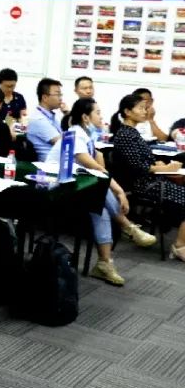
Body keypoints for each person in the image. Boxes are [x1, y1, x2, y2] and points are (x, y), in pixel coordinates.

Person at [48, 98, 155, 285]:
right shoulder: (74, 135)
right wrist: (119, 191)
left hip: (77, 189)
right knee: (98, 190)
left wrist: (99, 156)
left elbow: (99, 166)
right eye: (97, 113)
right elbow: (96, 169)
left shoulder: (87, 136)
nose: (101, 116)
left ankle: (105, 264)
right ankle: (128, 226)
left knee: (99, 206)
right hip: (56, 192)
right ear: (85, 117)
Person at [110, 94, 185, 261]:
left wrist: (159, 164)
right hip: (142, 185)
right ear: (127, 111)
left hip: (150, 181)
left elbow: (144, 159)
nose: (145, 112)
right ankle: (179, 246)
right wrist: (165, 168)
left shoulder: (131, 132)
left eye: (145, 108)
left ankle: (178, 239)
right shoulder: (126, 135)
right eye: (141, 108)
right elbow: (138, 167)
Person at [27, 77, 64, 161]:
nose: (60, 98)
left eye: (61, 95)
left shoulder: (50, 116)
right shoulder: (38, 119)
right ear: (44, 98)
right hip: (49, 165)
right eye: (57, 95)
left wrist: (67, 114)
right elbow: (64, 144)